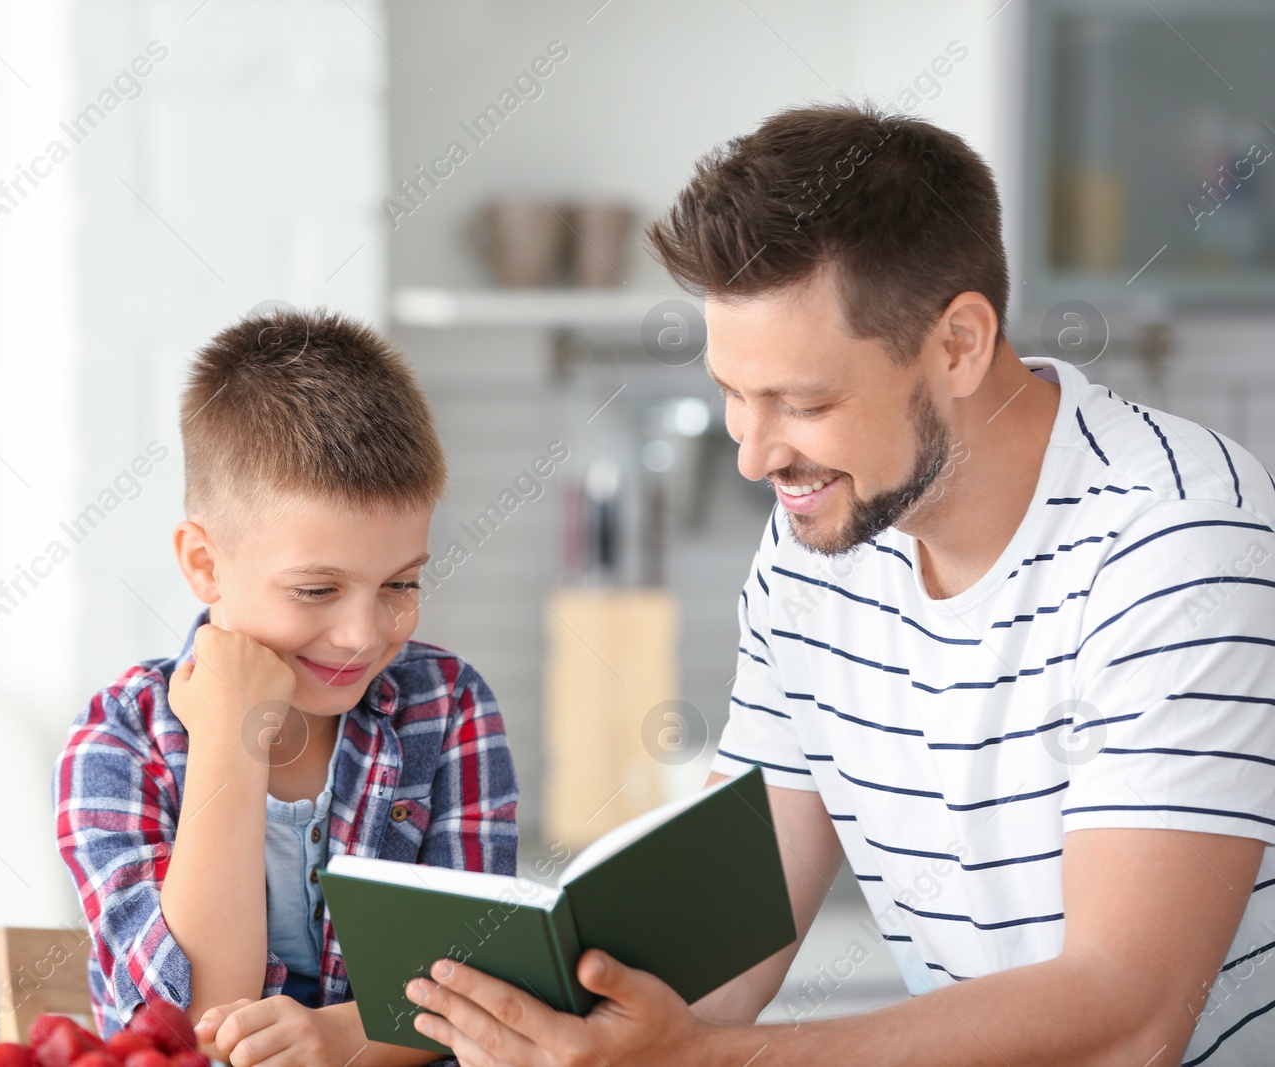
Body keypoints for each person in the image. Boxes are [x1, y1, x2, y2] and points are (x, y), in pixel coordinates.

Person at [403, 102, 1275, 1066]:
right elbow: (732, 915)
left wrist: (702, 1058)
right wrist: (455, 1027)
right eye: (733, 394)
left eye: (806, 402)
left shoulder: (1175, 535)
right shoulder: (819, 540)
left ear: (958, 344)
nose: (754, 454)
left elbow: (1131, 1015)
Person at [55, 308, 518, 1066]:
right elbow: (197, 1020)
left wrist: (334, 1038)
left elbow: (476, 988)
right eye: (315, 590)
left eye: (400, 582)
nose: (364, 634)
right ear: (205, 565)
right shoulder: (116, 744)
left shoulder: (452, 707)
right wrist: (233, 733)